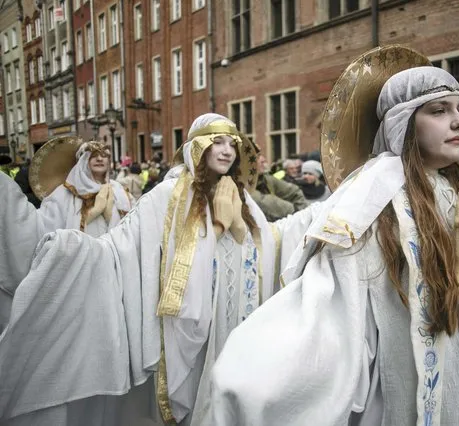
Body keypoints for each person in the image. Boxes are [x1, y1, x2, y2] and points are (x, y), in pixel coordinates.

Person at [203, 47, 459, 425]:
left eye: (457, 108)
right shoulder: (371, 207)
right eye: (438, 111)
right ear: (403, 123)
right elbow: (337, 324)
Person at [0, 113, 317, 425]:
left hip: (230, 318)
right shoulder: (168, 195)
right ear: (197, 148)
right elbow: (126, 250)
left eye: (232, 144)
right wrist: (70, 249)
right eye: (216, 142)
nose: (226, 150)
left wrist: (315, 216)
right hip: (186, 327)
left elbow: (267, 244)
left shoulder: (242, 197)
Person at [5, 138, 132, 239]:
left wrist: (112, 214)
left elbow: (134, 228)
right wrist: (93, 213)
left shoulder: (119, 190)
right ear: (83, 161)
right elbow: (46, 231)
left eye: (104, 155)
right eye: (93, 155)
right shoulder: (63, 193)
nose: (99, 159)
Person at [251, 153, 309, 221]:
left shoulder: (266, 179)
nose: (263, 160)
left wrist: (301, 214)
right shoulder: (240, 187)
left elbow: (294, 192)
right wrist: (294, 211)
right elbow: (263, 201)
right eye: (257, 157)